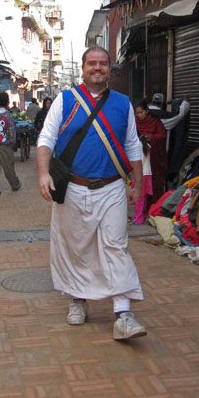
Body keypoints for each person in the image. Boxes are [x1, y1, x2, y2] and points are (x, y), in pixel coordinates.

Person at [36, 46, 146, 341]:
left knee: (115, 245)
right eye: (92, 63)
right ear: (83, 68)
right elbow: (46, 137)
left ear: (110, 69)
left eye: (103, 64)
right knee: (75, 246)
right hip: (71, 187)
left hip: (111, 187)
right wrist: (43, 173)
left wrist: (138, 183)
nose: (97, 68)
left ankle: (123, 313)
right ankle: (77, 299)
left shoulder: (123, 104)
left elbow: (133, 145)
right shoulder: (65, 99)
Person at [133, 99, 167, 224]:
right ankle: (141, 214)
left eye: (141, 112)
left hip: (154, 160)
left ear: (146, 111)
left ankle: (153, 211)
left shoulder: (155, 123)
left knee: (155, 185)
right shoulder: (134, 124)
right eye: (137, 113)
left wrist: (151, 138)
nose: (139, 115)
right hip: (140, 162)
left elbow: (162, 136)